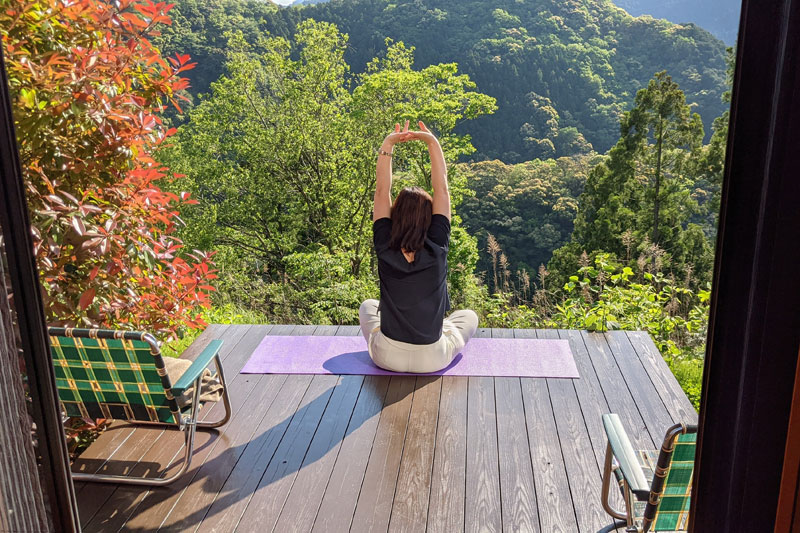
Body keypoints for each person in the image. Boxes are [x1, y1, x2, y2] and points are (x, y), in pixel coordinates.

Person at [359, 119, 479, 373]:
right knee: (469, 316)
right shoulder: (437, 244)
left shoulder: (385, 244)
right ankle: (443, 330)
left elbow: (382, 192)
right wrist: (432, 142)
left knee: (368, 307)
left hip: (386, 356)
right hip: (432, 358)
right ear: (429, 218)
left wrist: (388, 144)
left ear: (395, 214)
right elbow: (442, 189)